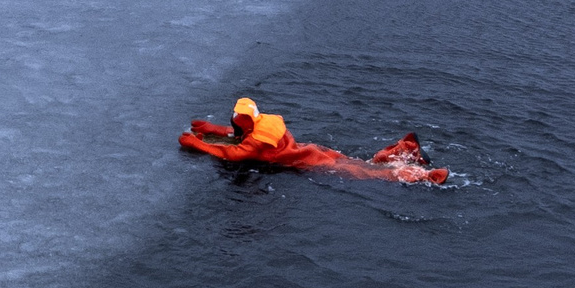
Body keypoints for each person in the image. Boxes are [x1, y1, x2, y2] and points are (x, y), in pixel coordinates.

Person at [178, 97, 448, 184]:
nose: (233, 122)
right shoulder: (265, 122)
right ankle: (404, 150)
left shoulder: (257, 142)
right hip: (313, 150)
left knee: (362, 171)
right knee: (358, 161)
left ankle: (424, 177)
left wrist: (197, 143)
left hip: (312, 163)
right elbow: (239, 134)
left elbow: (233, 154)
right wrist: (213, 128)